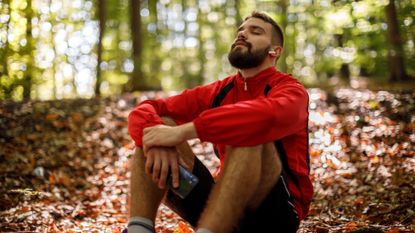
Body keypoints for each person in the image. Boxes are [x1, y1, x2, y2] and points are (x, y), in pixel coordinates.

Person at [127, 11, 313, 233]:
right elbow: (148, 108)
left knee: (251, 135)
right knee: (158, 125)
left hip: (274, 215)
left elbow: (267, 116)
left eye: (255, 31)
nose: (242, 35)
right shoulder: (220, 90)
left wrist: (185, 131)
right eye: (240, 31)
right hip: (219, 209)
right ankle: (139, 229)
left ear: (275, 51)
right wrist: (156, 138)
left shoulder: (290, 90)